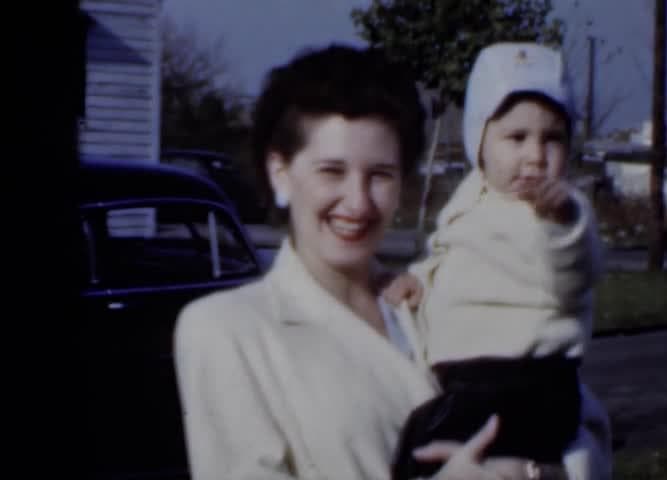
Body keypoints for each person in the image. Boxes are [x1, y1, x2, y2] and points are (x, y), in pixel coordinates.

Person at [173, 43, 550, 480]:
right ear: (280, 172)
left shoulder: (433, 298)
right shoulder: (229, 330)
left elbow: (583, 425)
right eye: (331, 172)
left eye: (380, 176)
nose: (357, 202)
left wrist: (529, 471)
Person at [385, 42, 613, 480]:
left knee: (422, 448)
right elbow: (452, 254)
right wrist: (420, 281)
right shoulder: (474, 200)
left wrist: (563, 222)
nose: (535, 156)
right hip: (478, 381)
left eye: (553, 139)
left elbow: (577, 272)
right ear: (480, 145)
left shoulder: (557, 214)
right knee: (421, 439)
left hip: (530, 381)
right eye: (516, 137)